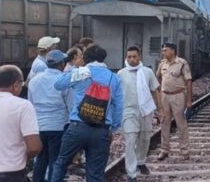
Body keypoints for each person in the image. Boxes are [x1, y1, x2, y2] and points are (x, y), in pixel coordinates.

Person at [50, 44, 123, 182]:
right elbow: (119, 106)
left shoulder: (80, 73)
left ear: (85, 58)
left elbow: (58, 84)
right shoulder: (114, 78)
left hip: (77, 127)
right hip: (101, 130)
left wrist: (73, 69)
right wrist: (113, 128)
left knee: (61, 163)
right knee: (95, 173)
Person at [28, 50, 73, 182]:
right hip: (58, 126)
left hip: (39, 126)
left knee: (41, 159)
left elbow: (31, 104)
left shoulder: (34, 81)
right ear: (62, 64)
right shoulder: (64, 81)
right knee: (55, 160)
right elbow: (70, 105)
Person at [118, 46, 160, 181]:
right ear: (126, 57)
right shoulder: (121, 73)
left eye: (134, 56)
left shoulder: (147, 72)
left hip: (146, 110)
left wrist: (161, 109)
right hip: (128, 111)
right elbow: (117, 94)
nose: (131, 59)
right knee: (130, 140)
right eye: (129, 57)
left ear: (139, 57)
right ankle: (131, 173)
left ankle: (141, 161)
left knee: (145, 138)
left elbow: (155, 90)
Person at [156, 42, 192, 161]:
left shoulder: (182, 63)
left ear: (173, 51)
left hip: (178, 96)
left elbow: (188, 81)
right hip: (165, 95)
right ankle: (164, 150)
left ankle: (184, 150)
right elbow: (158, 78)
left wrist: (188, 100)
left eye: (165, 50)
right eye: (163, 50)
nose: (163, 52)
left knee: (181, 123)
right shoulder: (162, 64)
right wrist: (159, 96)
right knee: (164, 122)